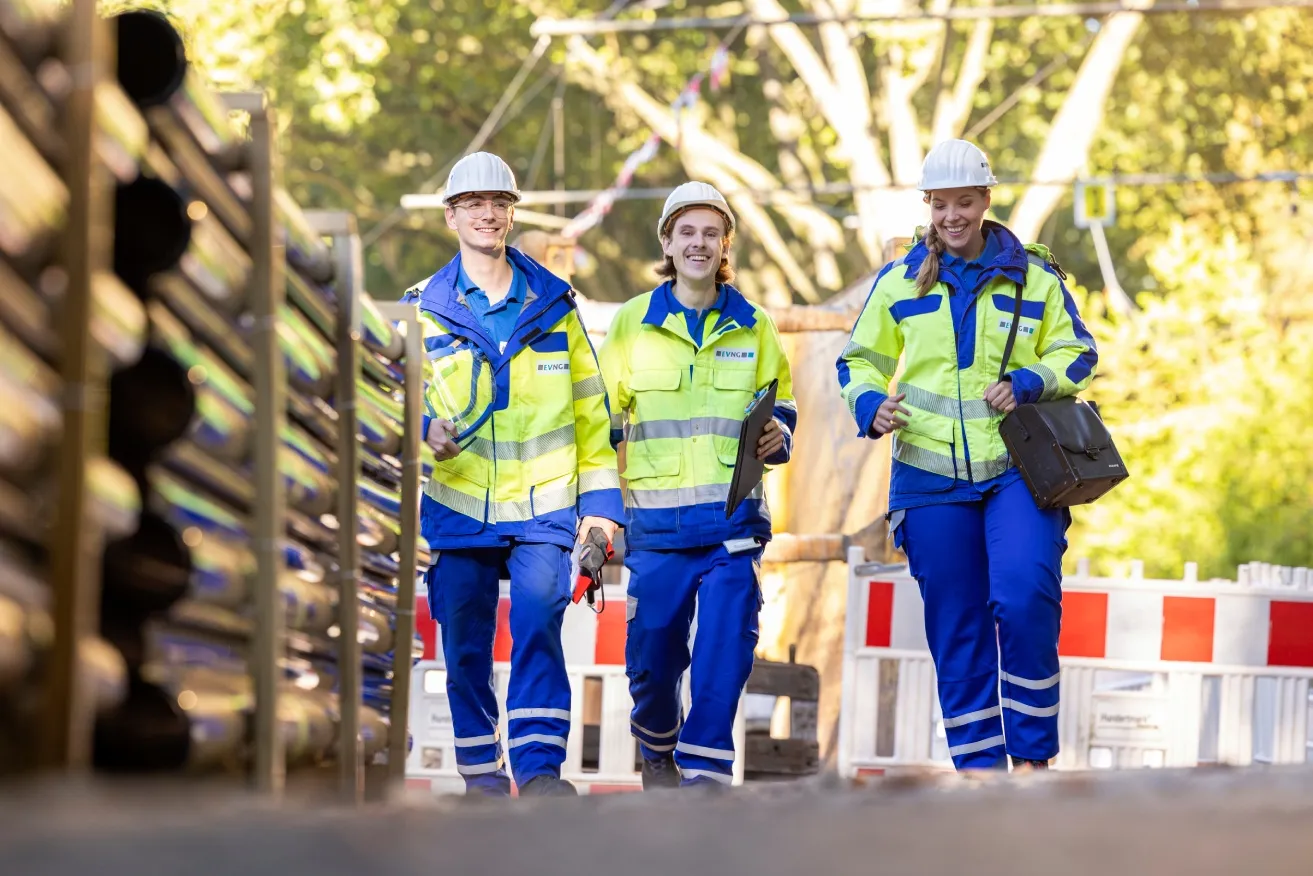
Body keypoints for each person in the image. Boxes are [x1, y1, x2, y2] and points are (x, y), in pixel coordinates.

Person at [835, 139, 1098, 772]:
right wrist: (870, 404)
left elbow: (1079, 354)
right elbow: (857, 361)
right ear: (928, 206)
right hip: (929, 478)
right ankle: (980, 776)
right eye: (940, 204)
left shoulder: (1035, 277)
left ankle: (1031, 762)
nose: (952, 216)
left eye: (964, 202)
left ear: (985, 200)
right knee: (957, 627)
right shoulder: (899, 281)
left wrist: (1031, 381)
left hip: (1018, 472)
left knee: (1025, 596)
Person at [409, 152, 623, 797]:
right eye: (472, 203)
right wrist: (422, 428)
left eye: (498, 203)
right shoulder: (421, 312)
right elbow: (389, 399)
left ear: (511, 214)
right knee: (465, 646)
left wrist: (600, 509)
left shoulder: (556, 308)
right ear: (451, 217)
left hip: (543, 510)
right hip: (459, 507)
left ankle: (538, 775)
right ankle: (481, 776)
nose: (487, 214)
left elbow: (591, 415)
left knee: (538, 630)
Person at [598, 182, 796, 790]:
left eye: (711, 233)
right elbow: (599, 424)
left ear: (725, 245)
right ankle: (658, 747)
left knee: (724, 652)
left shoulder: (754, 325)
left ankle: (706, 775)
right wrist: (595, 512)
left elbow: (782, 405)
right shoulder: (632, 324)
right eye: (687, 232)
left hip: (733, 528)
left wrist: (780, 436)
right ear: (667, 242)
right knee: (653, 660)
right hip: (657, 532)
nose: (699, 243)